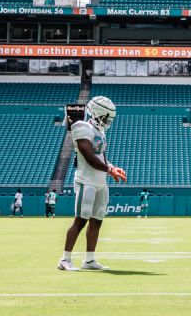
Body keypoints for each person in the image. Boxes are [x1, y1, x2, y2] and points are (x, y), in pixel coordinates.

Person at [59, 95, 128, 272]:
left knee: (97, 221)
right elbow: (88, 156)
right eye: (106, 117)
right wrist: (109, 170)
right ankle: (65, 259)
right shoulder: (81, 127)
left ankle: (89, 260)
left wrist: (112, 167)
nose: (107, 121)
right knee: (80, 221)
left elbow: (101, 157)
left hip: (100, 182)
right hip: (86, 181)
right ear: (98, 114)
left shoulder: (100, 132)